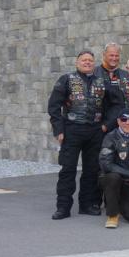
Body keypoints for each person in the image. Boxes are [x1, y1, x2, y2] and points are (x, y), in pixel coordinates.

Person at [47, 50, 117, 220]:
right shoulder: (66, 79)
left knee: (92, 170)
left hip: (95, 131)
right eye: (84, 60)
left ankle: (87, 205)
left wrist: (106, 125)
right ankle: (63, 207)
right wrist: (59, 130)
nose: (87, 62)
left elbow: (117, 104)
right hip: (72, 130)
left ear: (94, 63)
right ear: (77, 63)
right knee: (68, 169)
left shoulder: (103, 81)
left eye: (90, 60)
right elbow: (54, 106)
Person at [94, 42, 129, 118]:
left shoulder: (125, 74)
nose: (114, 58)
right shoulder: (94, 73)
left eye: (116, 56)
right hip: (99, 120)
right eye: (111, 55)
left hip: (121, 120)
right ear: (104, 55)